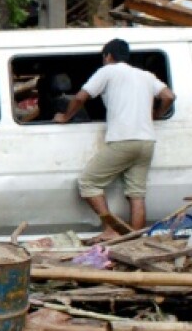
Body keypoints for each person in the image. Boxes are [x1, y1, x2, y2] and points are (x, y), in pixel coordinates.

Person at [55, 38, 175, 239]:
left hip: (124, 140)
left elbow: (80, 97)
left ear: (107, 56)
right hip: (146, 141)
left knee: (88, 182)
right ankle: (134, 239)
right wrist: (156, 115)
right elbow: (169, 96)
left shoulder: (108, 71)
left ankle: (111, 229)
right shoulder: (145, 75)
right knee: (136, 194)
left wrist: (65, 117)